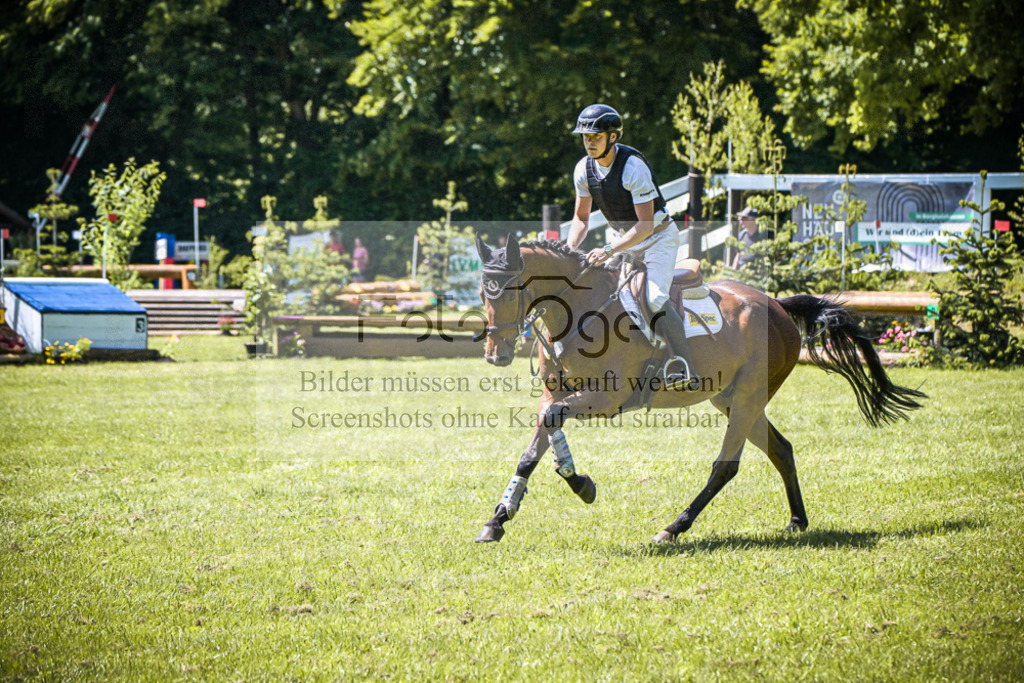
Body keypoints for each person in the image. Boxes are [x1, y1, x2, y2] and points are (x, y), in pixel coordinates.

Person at [567, 103, 701, 390]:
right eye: (586, 137)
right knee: (594, 286)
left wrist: (608, 250)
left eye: (596, 136)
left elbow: (645, 227)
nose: (589, 142)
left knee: (654, 298)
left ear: (613, 137)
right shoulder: (583, 170)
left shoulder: (632, 167)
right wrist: (568, 249)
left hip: (657, 239)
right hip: (623, 242)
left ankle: (685, 366)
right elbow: (580, 219)